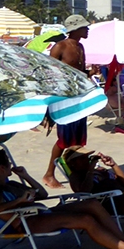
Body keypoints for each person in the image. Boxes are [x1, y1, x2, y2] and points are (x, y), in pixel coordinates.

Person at [0, 147, 124, 249]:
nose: (11, 166)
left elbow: (43, 193)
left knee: (92, 204)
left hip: (40, 213)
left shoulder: (12, 184)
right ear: (2, 168)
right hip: (26, 222)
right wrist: (19, 201)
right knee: (86, 219)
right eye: (8, 164)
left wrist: (25, 176)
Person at [42, 15, 92, 188]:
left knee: (78, 139)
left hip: (79, 96)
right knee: (64, 139)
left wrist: (87, 75)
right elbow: (49, 75)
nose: (88, 30)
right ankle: (49, 174)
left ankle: (75, 172)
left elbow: (79, 70)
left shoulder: (81, 46)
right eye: (84, 27)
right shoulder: (60, 47)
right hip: (64, 97)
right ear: (75, 29)